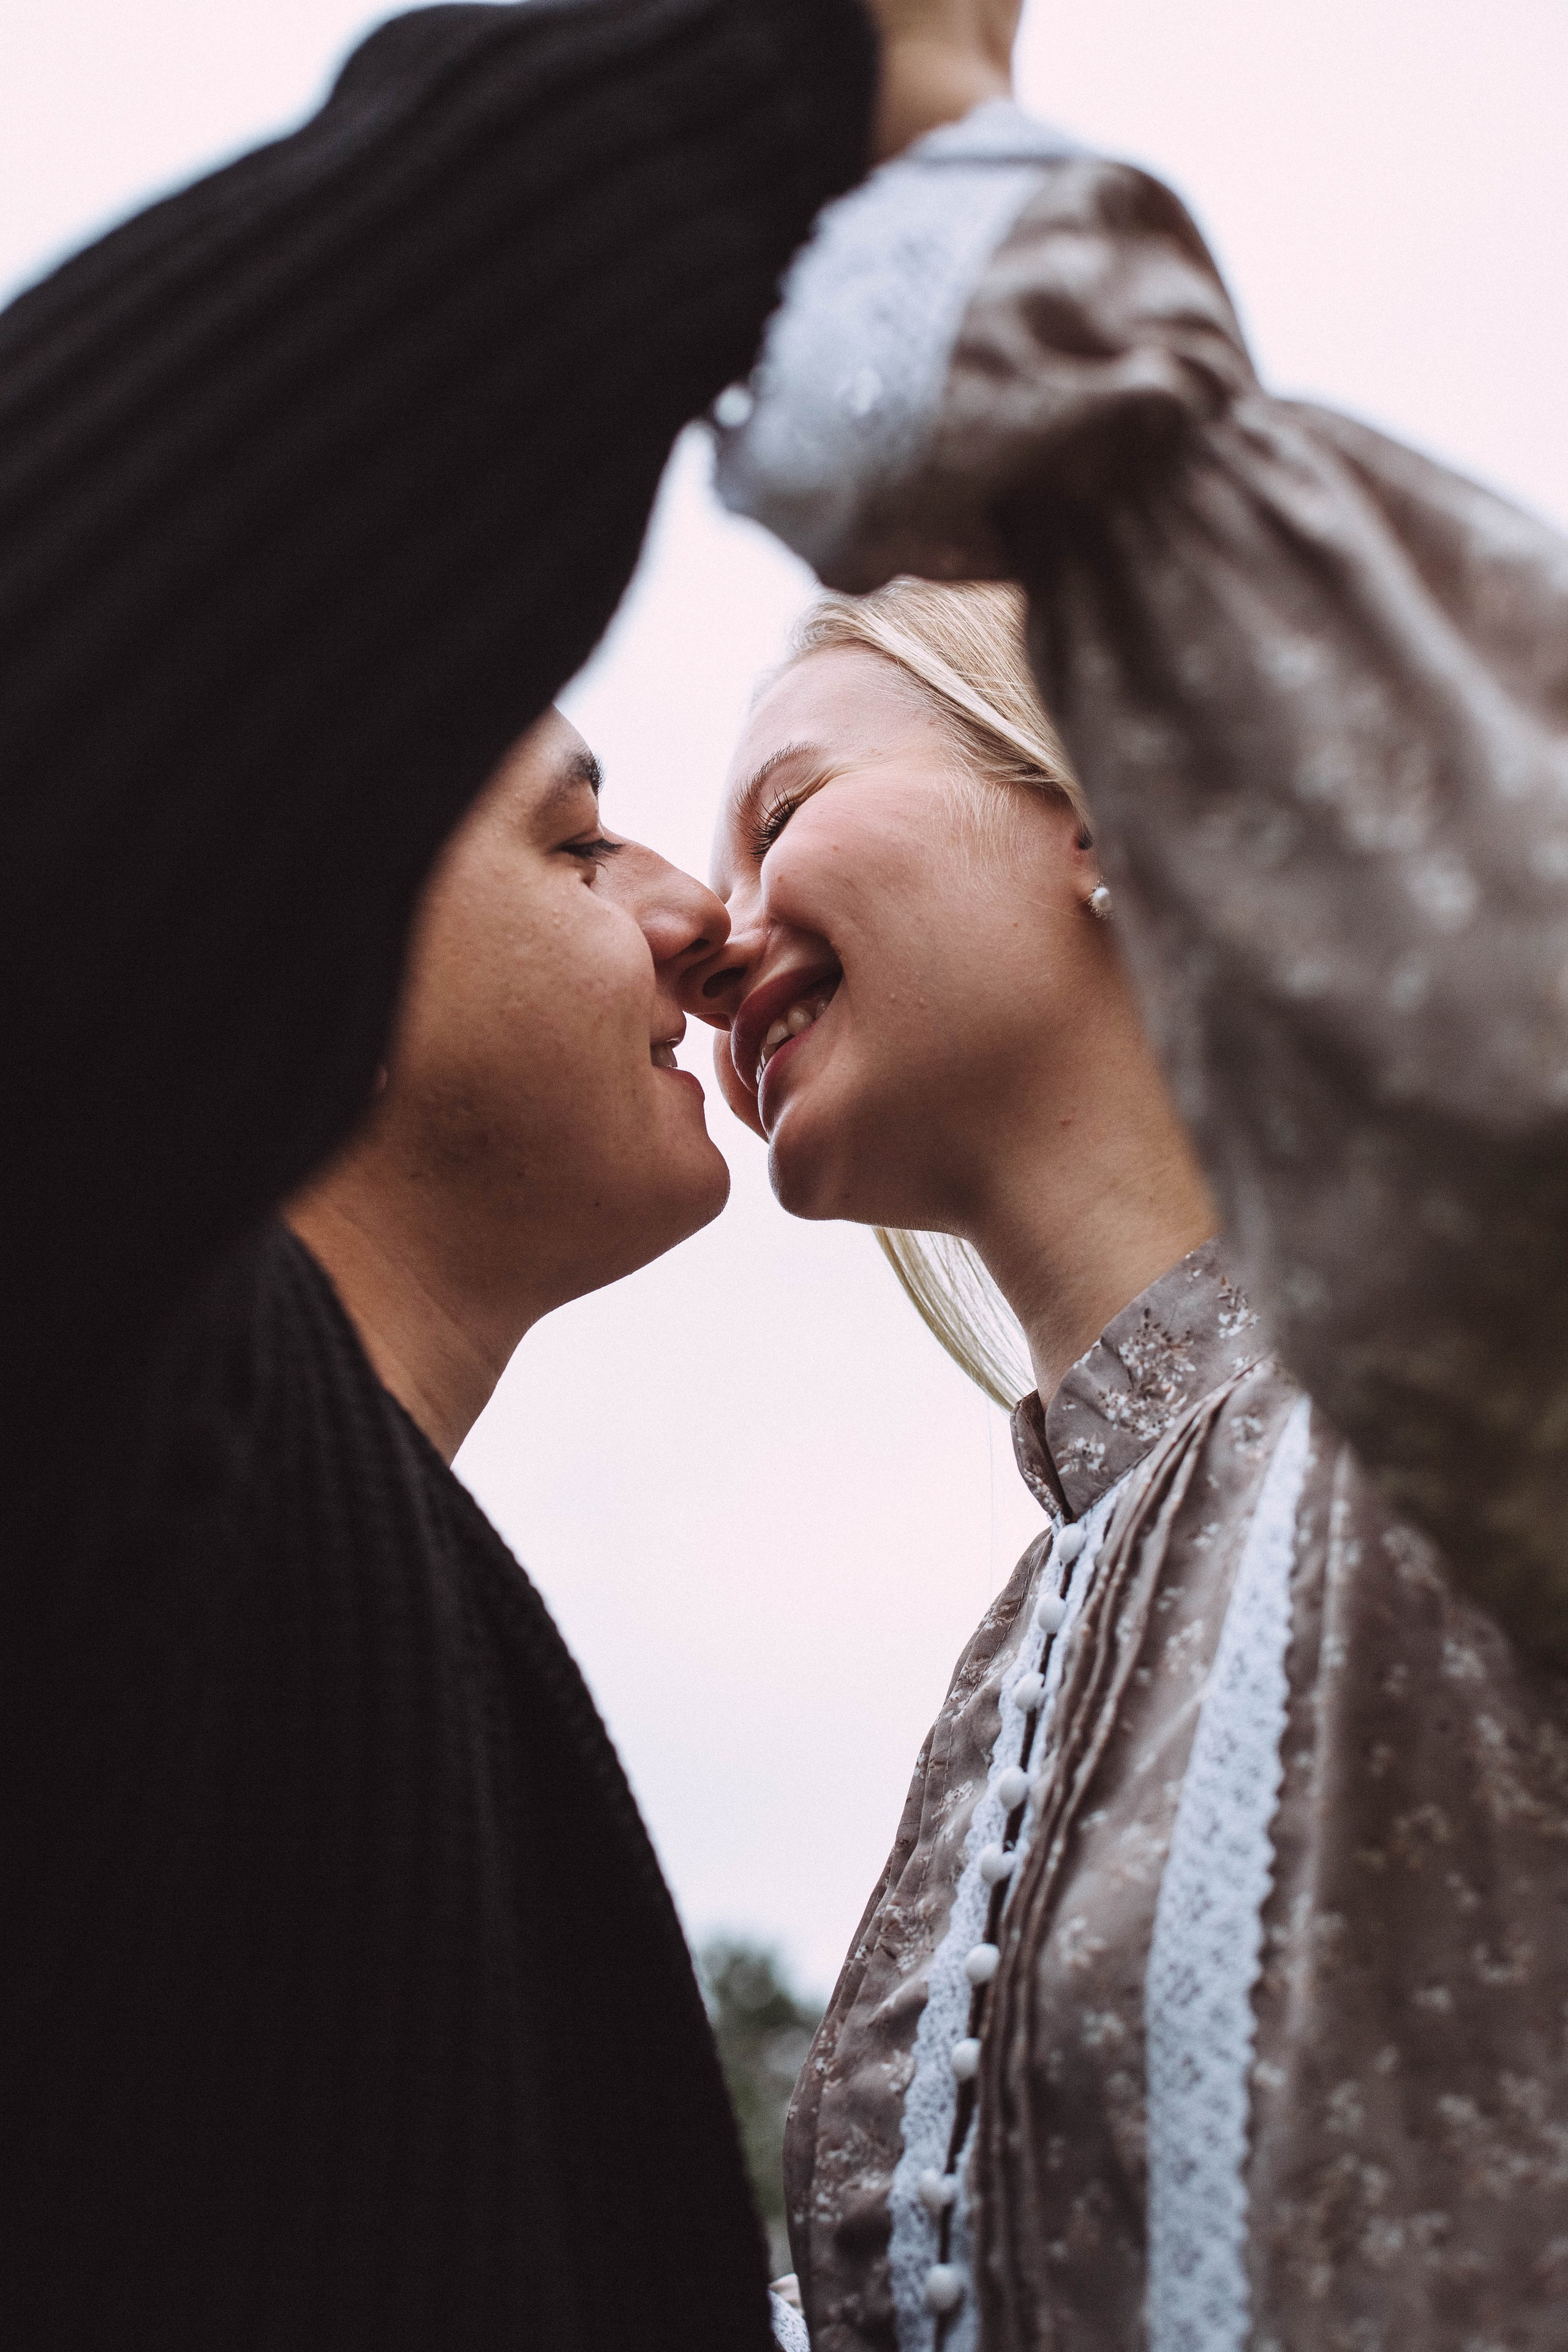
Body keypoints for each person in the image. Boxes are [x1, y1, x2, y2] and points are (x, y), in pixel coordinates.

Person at [0, 0, 1020, 2340]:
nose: (701, 915)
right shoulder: (117, 1388)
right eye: (582, 832)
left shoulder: (368, 1597)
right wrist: (777, 64)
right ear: (286, 877)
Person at [697, 80, 1568, 2343]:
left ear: (1103, 798)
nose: (710, 924)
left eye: (784, 801)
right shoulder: (1006, 1660)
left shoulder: (1460, 1368)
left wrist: (926, 133)